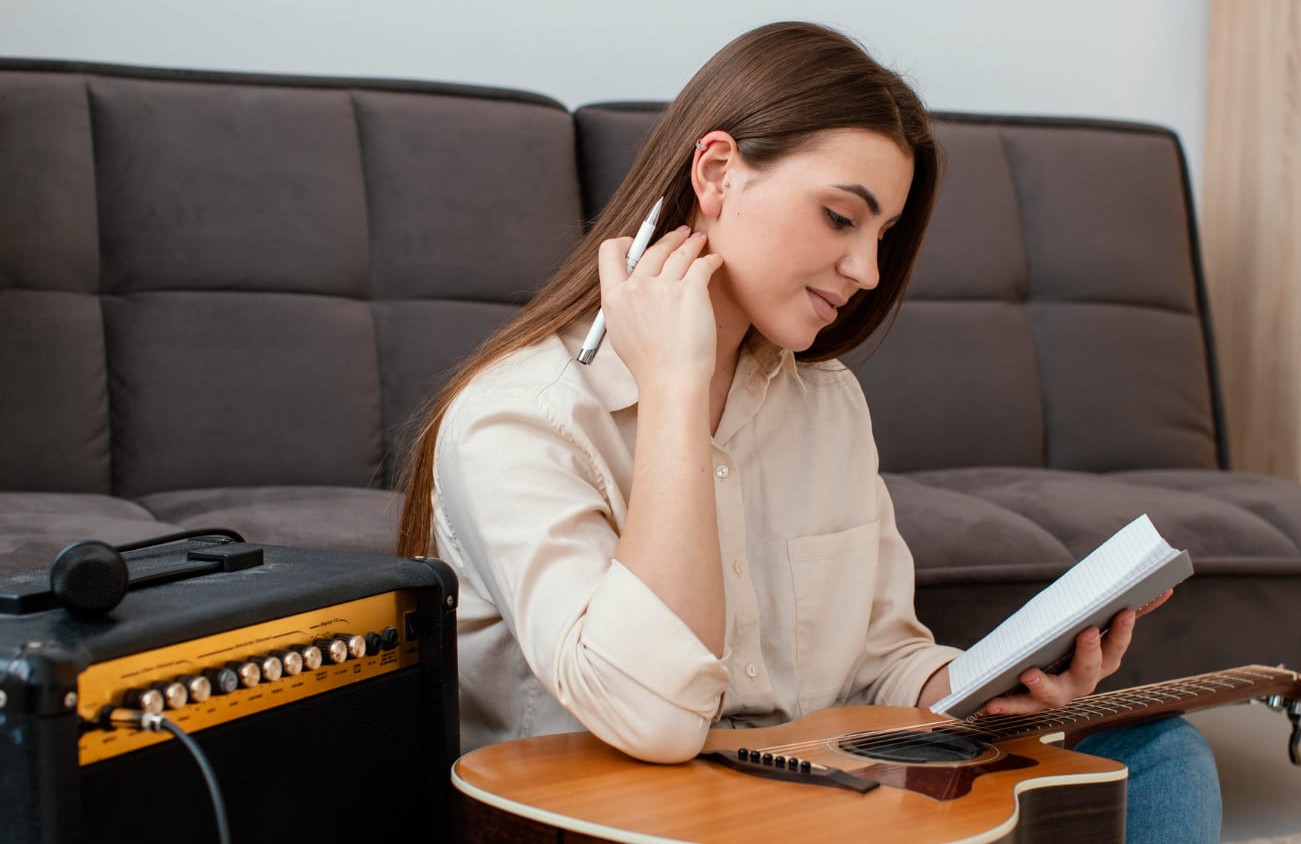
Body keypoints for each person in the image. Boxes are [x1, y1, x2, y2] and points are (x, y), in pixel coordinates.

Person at [398, 21, 1220, 842]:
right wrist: (675, 390)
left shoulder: (827, 406)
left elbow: (880, 665)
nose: (867, 270)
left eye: (881, 236)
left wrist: (999, 686)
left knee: (1159, 755)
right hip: (618, 825)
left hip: (808, 807)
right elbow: (652, 716)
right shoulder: (518, 419)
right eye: (839, 218)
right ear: (717, 174)